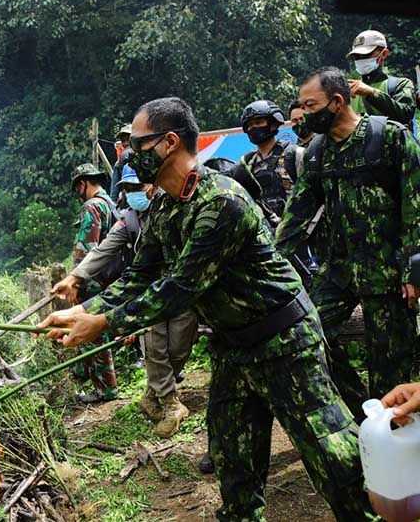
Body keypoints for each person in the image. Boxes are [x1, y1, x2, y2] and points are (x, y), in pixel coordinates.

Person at [41, 97, 373, 520]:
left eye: (137, 145)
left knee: (335, 461)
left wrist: (103, 322)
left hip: (285, 342)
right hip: (234, 347)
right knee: (233, 464)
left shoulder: (220, 203)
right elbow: (141, 274)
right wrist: (84, 309)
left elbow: (181, 286)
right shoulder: (164, 205)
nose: (127, 156)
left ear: (169, 143)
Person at [276, 66, 420, 422]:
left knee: (391, 366)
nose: (305, 114)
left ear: (337, 102)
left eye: (311, 106)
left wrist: (413, 268)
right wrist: (268, 259)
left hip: (389, 273)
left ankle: (396, 440)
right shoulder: (317, 152)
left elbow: (416, 205)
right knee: (307, 334)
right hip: (338, 272)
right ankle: (363, 408)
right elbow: (297, 213)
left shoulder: (388, 137)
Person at [52, 165, 198, 437]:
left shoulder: (173, 209)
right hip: (147, 289)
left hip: (182, 290)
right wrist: (74, 276)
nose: (133, 194)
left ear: (152, 186)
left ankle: (152, 396)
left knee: (178, 347)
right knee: (154, 347)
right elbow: (105, 248)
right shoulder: (127, 217)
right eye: (127, 189)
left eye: (137, 188)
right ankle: (170, 403)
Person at [69, 162, 119, 403]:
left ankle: (105, 389)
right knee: (100, 330)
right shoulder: (109, 202)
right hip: (108, 276)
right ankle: (88, 376)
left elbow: (86, 248)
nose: (78, 191)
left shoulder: (92, 206)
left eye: (78, 186)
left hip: (93, 279)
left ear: (83, 183)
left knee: (93, 333)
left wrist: (75, 280)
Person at [237, 100, 303, 218]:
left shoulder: (294, 154)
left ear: (273, 123)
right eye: (249, 125)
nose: (253, 128)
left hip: (294, 229)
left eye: (258, 122)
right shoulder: (246, 164)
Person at [347, 29, 417, 127]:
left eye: (366, 55)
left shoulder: (400, 84)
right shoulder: (349, 89)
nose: (360, 60)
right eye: (356, 57)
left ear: (384, 54)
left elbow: (405, 115)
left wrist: (372, 93)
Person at [110, 123, 132, 202]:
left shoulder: (147, 156)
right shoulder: (119, 163)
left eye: (128, 139)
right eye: (123, 140)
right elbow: (114, 190)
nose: (126, 143)